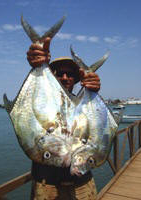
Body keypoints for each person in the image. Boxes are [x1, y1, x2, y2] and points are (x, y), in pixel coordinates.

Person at [27, 37, 100, 200]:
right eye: (59, 74)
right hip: (46, 185)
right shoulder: (40, 103)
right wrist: (37, 66)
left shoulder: (85, 105)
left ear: (77, 78)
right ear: (51, 76)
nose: (65, 77)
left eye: (71, 74)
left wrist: (93, 92)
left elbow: (97, 131)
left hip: (82, 184)